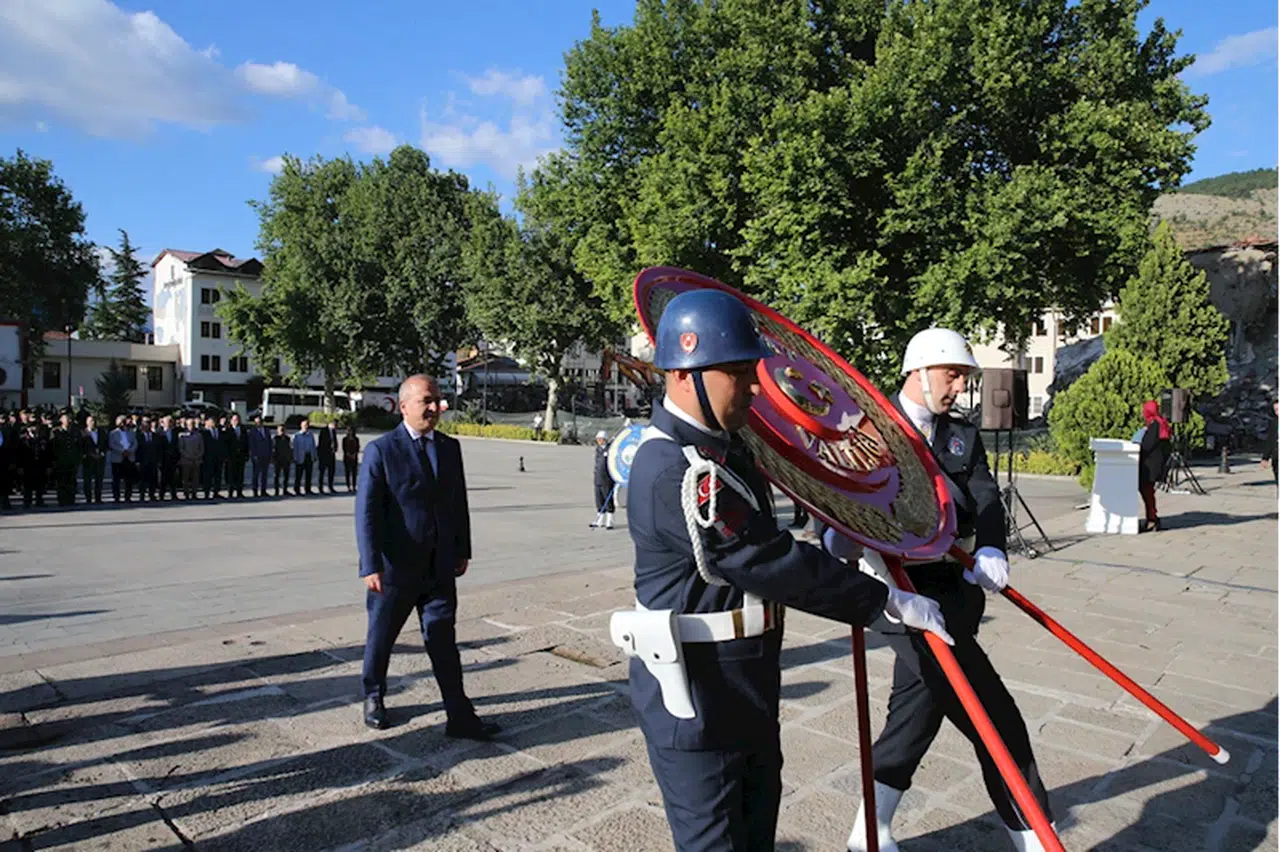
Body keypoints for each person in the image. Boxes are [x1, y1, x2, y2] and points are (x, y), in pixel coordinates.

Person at [616, 289, 950, 852]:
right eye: (739, 372)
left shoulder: (728, 449)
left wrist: (848, 520)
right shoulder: (669, 469)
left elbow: (806, 477)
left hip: (746, 686)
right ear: (684, 374)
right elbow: (765, 559)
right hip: (697, 698)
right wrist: (883, 601)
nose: (754, 386)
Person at [822, 327, 1053, 852]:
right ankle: (1037, 837)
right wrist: (838, 537)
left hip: (953, 593)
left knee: (916, 711)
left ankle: (868, 832)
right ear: (919, 371)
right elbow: (834, 500)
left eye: (963, 377)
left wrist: (992, 547)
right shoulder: (867, 432)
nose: (957, 386)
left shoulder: (960, 435)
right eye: (951, 374)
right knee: (993, 717)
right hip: (898, 595)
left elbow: (985, 497)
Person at [356, 374, 497, 740]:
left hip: (439, 566)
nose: (434, 408)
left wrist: (463, 548)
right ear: (404, 406)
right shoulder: (382, 450)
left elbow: (457, 503)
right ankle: (374, 696)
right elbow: (366, 511)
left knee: (442, 640)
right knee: (382, 637)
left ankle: (459, 715)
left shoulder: (449, 448)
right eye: (426, 401)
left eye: (437, 400)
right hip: (394, 569)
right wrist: (369, 563)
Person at [1137, 400, 1171, 532]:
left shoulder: (1155, 424)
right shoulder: (1161, 423)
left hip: (1150, 466)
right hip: (1155, 464)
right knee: (1148, 492)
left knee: (1147, 492)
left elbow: (1147, 444)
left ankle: (1152, 520)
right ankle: (1152, 518)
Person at [590, 429, 616, 529]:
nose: (599, 441)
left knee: (608, 500)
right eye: (598, 439)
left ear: (605, 439)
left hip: (607, 479)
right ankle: (599, 520)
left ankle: (610, 521)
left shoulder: (610, 449)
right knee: (599, 500)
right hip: (598, 478)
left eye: (601, 439)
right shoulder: (598, 449)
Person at [81, 415, 106, 504]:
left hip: (100, 459)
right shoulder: (83, 433)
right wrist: (90, 454)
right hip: (88, 460)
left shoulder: (101, 432)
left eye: (94, 421)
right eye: (91, 421)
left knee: (99, 479)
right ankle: (88, 498)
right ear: (87, 422)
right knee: (87, 480)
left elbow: (105, 444)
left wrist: (102, 453)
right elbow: (82, 447)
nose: (93, 423)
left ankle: (98, 498)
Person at [248, 415, 273, 497]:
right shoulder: (252, 431)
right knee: (256, 474)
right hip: (257, 455)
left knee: (264, 474)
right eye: (257, 422)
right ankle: (255, 491)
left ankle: (263, 490)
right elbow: (251, 444)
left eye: (260, 422)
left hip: (266, 455)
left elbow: (270, 443)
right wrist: (253, 454)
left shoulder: (266, 430)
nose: (258, 423)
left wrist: (270, 454)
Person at [1259, 397, 1278, 499]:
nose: (1278, 412)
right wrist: (1265, 458)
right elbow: (1270, 441)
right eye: (1276, 410)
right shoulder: (1274, 423)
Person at [292, 419, 317, 495]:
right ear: (301, 426)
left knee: (308, 474)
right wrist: (295, 458)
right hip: (300, 457)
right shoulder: (296, 435)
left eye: (307, 425)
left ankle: (308, 489)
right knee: (298, 474)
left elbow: (313, 446)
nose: (306, 426)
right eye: (304, 425)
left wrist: (314, 455)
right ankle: (297, 489)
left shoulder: (311, 435)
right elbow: (294, 448)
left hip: (309, 456)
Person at [318, 420, 339, 493]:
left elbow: (334, 441)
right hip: (324, 454)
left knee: (331, 471)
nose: (336, 427)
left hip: (331, 454)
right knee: (322, 472)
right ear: (331, 424)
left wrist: (335, 447)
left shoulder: (333, 431)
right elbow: (321, 443)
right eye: (335, 425)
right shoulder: (324, 431)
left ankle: (330, 486)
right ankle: (320, 487)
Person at [272, 425, 293, 496]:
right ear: (277, 431)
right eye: (281, 430)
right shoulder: (275, 438)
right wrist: (273, 459)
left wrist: (290, 458)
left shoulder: (288, 438)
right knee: (276, 476)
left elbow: (290, 448)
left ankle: (285, 490)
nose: (282, 431)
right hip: (278, 459)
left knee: (286, 476)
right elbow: (273, 449)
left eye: (283, 430)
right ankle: (276, 491)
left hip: (286, 460)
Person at [342, 425, 361, 492]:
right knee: (347, 472)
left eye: (352, 431)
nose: (350, 432)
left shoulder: (356, 439)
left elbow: (358, 448)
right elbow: (344, 448)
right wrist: (348, 454)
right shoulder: (344, 439)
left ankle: (354, 486)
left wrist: (354, 454)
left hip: (354, 457)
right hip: (347, 457)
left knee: (354, 473)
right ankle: (348, 486)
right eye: (349, 430)